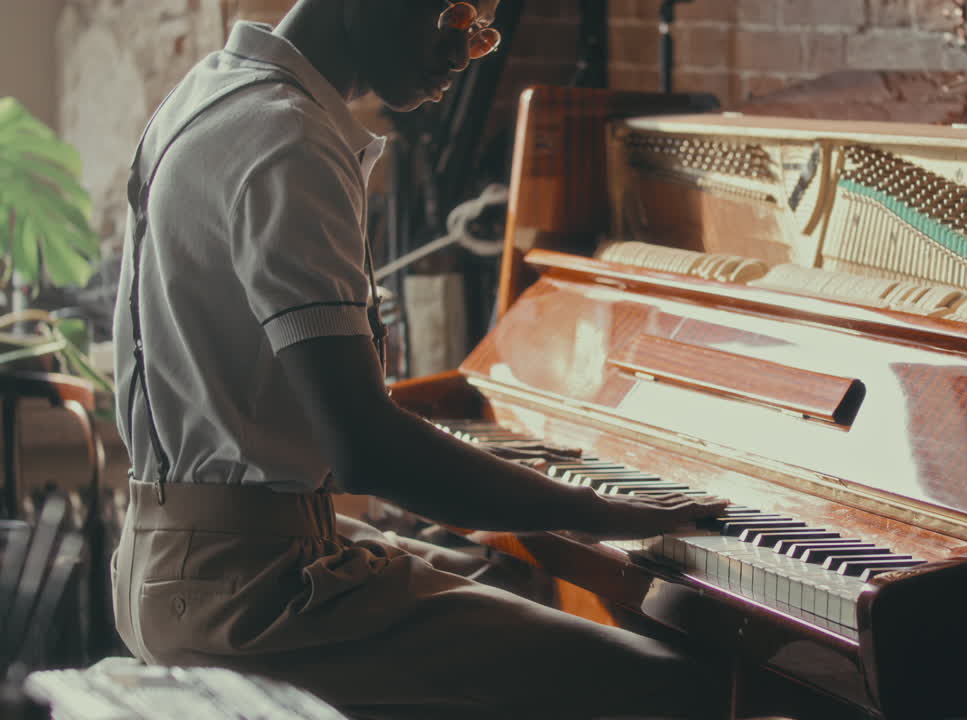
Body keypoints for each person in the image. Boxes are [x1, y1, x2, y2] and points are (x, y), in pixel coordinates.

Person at [110, 1, 730, 718]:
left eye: (481, 29)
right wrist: (594, 511)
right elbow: (367, 451)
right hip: (255, 595)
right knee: (674, 688)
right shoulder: (289, 139)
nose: (466, 53)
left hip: (176, 559)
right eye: (452, 16)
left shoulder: (210, 89)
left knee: (516, 578)